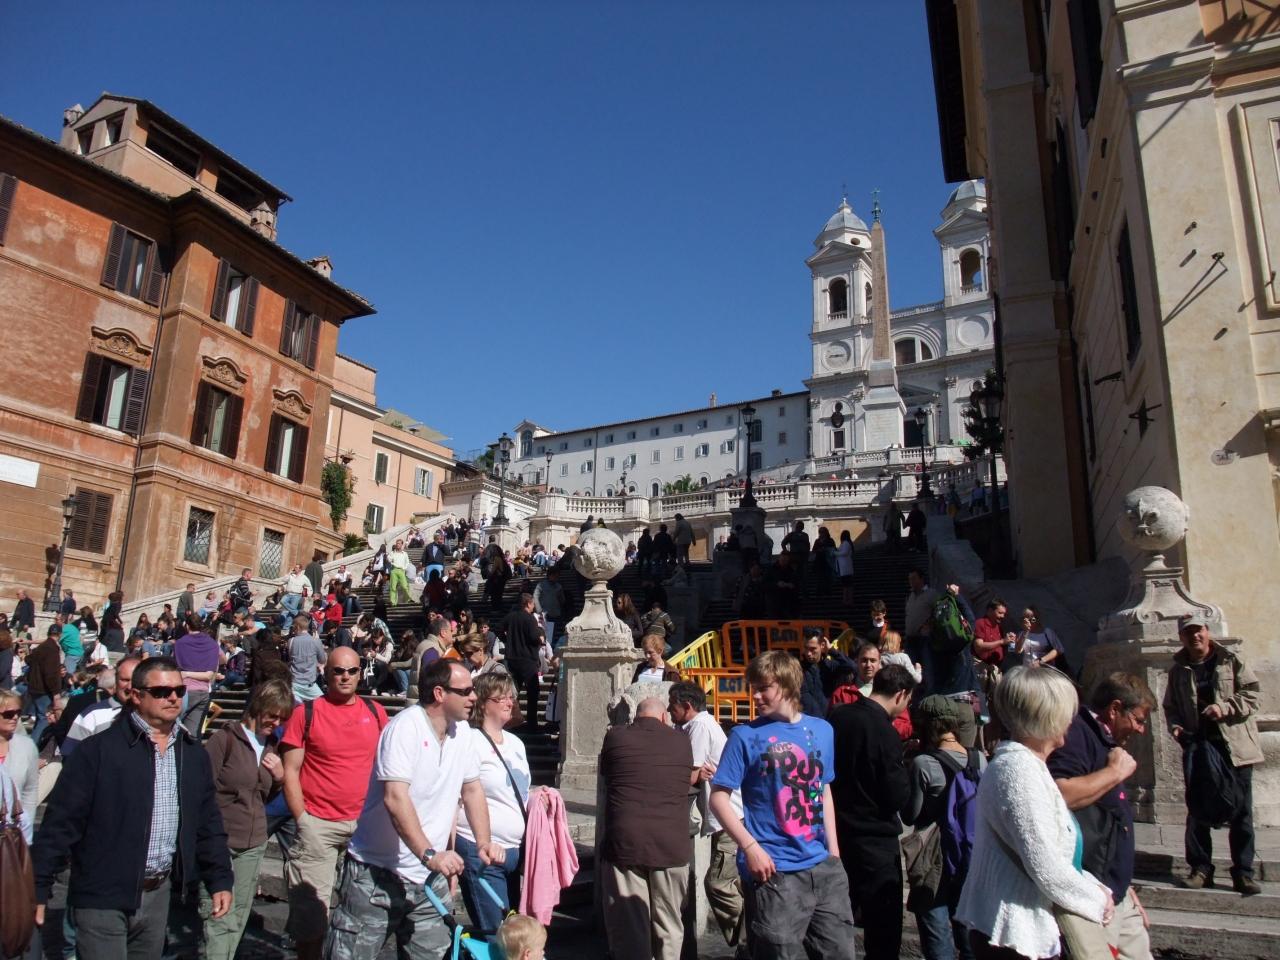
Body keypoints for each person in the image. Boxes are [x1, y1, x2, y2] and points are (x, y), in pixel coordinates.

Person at [32, 656, 234, 960]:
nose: (173, 698)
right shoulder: (99, 750)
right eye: (161, 692)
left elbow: (208, 821)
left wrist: (219, 878)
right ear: (137, 696)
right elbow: (61, 823)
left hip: (158, 893)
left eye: (179, 691)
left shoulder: (192, 754)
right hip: (102, 891)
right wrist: (39, 885)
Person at [326, 659, 504, 960]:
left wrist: (483, 841)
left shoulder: (463, 733)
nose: (474, 697)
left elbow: (472, 789)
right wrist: (429, 853)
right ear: (439, 693)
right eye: (465, 691)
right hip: (376, 873)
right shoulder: (404, 728)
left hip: (429, 879)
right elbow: (395, 798)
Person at [955, 667, 1113, 959]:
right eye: (1067, 711)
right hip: (1016, 933)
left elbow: (1055, 855)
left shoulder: (1028, 766)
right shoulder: (1018, 770)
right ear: (1048, 715)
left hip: (1026, 928)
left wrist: (1095, 886)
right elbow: (1044, 864)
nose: (1071, 720)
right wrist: (1097, 899)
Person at [710, 650, 856, 960]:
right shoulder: (744, 736)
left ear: (788, 685)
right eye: (753, 688)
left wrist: (834, 851)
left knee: (839, 952)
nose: (755, 696)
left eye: (764, 687)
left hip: (823, 867)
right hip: (775, 871)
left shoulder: (822, 730)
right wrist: (750, 848)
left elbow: (823, 789)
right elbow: (718, 798)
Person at [279, 647, 388, 960]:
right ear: (326, 673)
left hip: (365, 827)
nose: (345, 677)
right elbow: (290, 770)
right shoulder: (306, 713)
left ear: (360, 673)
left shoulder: (376, 712)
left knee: (363, 916)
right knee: (310, 921)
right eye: (338, 671)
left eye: (352, 671)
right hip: (319, 824)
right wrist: (303, 820)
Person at [1048, 672, 1154, 958]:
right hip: (1095, 892)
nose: (1140, 730)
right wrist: (1114, 772)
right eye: (1138, 720)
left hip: (1118, 889)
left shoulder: (1105, 739)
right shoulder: (1077, 735)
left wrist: (1126, 885)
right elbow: (1062, 794)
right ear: (1115, 708)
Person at [1163, 615, 1262, 896]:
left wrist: (1225, 708)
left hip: (1235, 749)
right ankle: (1200, 869)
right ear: (1182, 637)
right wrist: (1176, 727)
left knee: (1241, 812)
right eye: (1188, 632)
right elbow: (1170, 706)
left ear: (1207, 632)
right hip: (1199, 748)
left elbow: (1252, 694)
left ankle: (1243, 873)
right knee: (1197, 810)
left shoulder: (1231, 660)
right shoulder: (1178, 671)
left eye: (1199, 630)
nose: (1195, 636)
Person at [828, 664, 916, 960]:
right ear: (901, 694)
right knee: (883, 930)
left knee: (836, 921)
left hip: (838, 832)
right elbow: (896, 794)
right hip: (875, 838)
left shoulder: (839, 716)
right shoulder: (884, 730)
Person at [201, 679, 292, 960]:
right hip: (221, 839)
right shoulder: (224, 739)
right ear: (257, 707)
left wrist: (280, 778)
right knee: (219, 914)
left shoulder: (273, 745)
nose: (276, 722)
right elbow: (202, 790)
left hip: (253, 841)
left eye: (281, 718)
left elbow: (263, 793)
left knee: (239, 914)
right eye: (272, 715)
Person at [599, 697, 694, 960]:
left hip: (625, 842)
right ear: (664, 717)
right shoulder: (681, 741)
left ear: (634, 716)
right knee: (670, 923)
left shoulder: (615, 737)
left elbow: (607, 773)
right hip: (671, 844)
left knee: (630, 928)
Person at [459, 672, 547, 935]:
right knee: (497, 933)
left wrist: (538, 796)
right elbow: (459, 794)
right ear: (484, 703)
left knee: (514, 933)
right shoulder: (469, 741)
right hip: (481, 850)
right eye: (502, 698)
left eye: (511, 697)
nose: (510, 702)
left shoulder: (516, 743)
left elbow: (516, 791)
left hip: (514, 851)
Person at [904, 696, 986, 960]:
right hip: (969, 853)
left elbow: (910, 815)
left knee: (937, 932)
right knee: (969, 933)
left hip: (933, 857)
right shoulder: (979, 759)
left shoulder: (923, 764)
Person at [669, 682, 746, 958]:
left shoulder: (700, 726)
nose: (670, 710)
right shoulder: (695, 726)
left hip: (728, 817)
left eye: (673, 706)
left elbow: (690, 773)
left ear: (687, 706)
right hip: (723, 818)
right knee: (731, 882)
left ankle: (750, 937)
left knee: (717, 883)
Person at [63, 655, 141, 753]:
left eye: (135, 681)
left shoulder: (154, 714)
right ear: (116, 680)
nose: (130, 686)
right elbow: (71, 755)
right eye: (125, 680)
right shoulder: (92, 715)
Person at [501, 594, 544, 730]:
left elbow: (497, 628)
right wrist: (540, 638)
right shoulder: (530, 618)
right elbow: (533, 637)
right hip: (528, 659)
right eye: (532, 603)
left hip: (512, 659)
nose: (534, 606)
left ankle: (510, 720)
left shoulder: (510, 616)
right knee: (532, 692)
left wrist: (507, 640)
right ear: (528, 603)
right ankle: (532, 723)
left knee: (513, 692)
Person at [0, 689, 38, 841]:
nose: (15, 717)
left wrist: (25, 837)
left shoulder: (26, 746)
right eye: (9, 714)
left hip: (11, 835)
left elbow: (29, 792)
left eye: (18, 712)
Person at [175, 613, 220, 737]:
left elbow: (176, 666)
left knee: (173, 729)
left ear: (187, 625)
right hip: (203, 691)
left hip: (184, 690)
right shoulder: (212, 644)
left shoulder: (180, 643)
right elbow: (209, 675)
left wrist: (186, 674)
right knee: (192, 734)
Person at [798, 630, 854, 719]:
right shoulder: (798, 668)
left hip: (830, 718)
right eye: (806, 648)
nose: (808, 653)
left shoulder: (830, 666)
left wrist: (832, 650)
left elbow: (852, 667)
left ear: (822, 646)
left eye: (813, 649)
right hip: (809, 720)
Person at [25, 625, 63, 744]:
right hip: (43, 689)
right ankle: (32, 747)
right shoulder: (52, 649)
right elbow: (50, 674)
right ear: (60, 635)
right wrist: (56, 693)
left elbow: (28, 659)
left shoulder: (42, 646)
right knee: (44, 719)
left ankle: (32, 744)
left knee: (40, 718)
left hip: (35, 687)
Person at [288, 616, 327, 702]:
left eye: (293, 627)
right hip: (310, 684)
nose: (293, 629)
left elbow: (291, 659)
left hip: (294, 684)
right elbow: (322, 660)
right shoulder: (316, 641)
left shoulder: (291, 641)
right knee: (323, 705)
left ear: (298, 627)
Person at [533, 569, 566, 650]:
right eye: (554, 575)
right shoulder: (541, 585)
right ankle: (545, 650)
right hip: (545, 614)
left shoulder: (559, 586)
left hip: (556, 613)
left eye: (557, 576)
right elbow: (535, 596)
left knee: (554, 634)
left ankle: (553, 649)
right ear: (549, 575)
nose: (556, 577)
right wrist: (539, 610)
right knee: (545, 634)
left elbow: (562, 600)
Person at [281, 564, 311, 630]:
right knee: (282, 601)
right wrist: (289, 573)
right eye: (295, 567)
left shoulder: (304, 577)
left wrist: (305, 595)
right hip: (288, 593)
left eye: (297, 567)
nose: (295, 568)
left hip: (297, 595)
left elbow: (307, 586)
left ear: (300, 569)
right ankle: (296, 612)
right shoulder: (291, 575)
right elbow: (283, 580)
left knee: (290, 613)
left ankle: (286, 628)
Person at [387, 539, 412, 606]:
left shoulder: (404, 554)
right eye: (396, 543)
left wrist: (404, 568)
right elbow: (389, 559)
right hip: (394, 570)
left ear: (401, 545)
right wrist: (389, 558)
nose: (397, 544)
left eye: (399, 543)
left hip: (401, 570)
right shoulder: (392, 553)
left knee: (405, 586)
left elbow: (407, 562)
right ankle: (393, 602)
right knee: (393, 587)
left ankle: (407, 599)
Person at [836, 530, 855, 607]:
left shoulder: (846, 543)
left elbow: (844, 553)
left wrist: (835, 553)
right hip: (845, 568)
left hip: (846, 569)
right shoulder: (846, 543)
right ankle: (846, 600)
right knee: (846, 585)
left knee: (847, 585)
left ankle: (848, 600)